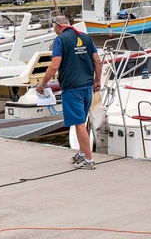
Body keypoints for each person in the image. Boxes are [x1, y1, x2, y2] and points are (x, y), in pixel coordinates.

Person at [36, 15, 102, 170]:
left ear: (57, 26)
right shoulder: (85, 37)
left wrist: (43, 84)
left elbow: (54, 66)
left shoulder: (60, 40)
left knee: (78, 123)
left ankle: (88, 159)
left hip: (72, 88)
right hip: (87, 86)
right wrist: (97, 80)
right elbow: (97, 61)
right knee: (82, 121)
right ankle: (81, 153)